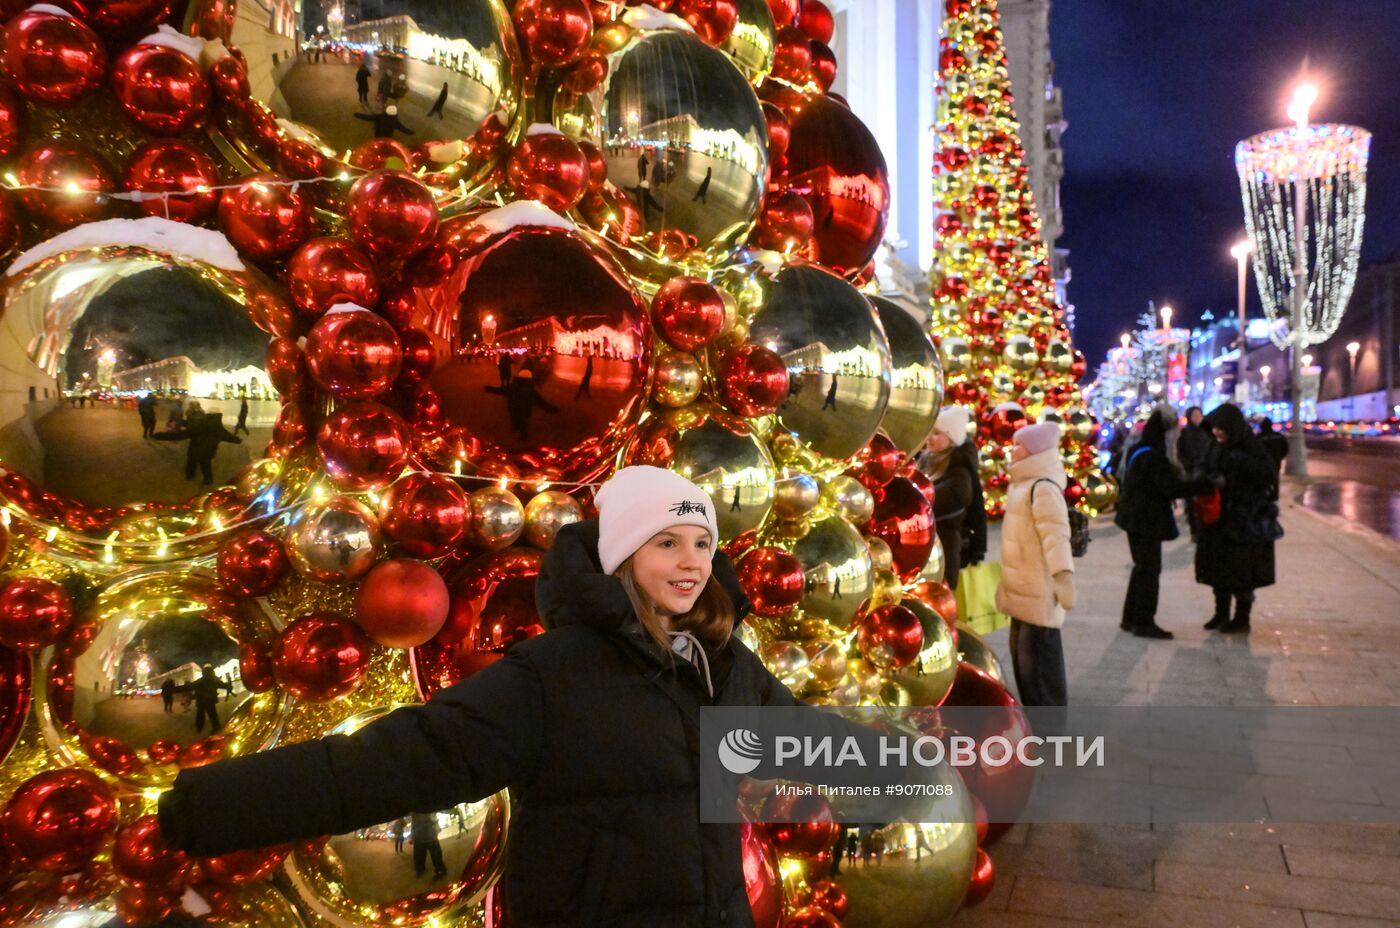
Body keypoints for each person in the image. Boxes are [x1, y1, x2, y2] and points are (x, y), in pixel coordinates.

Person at [157, 466, 884, 926]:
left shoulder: (722, 665)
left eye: (701, 543)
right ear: (621, 557)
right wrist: (212, 807)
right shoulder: (553, 672)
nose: (690, 562)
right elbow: (404, 758)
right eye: (665, 543)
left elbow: (803, 737)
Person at [996, 422, 1075, 707]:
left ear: (1035, 451)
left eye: (1019, 445)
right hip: (1021, 591)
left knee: (1040, 672)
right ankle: (1037, 730)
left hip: (1038, 593)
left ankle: (1050, 736)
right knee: (1025, 672)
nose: (1012, 450)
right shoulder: (1021, 484)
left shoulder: (1042, 488)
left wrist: (1063, 577)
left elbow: (1056, 537)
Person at [1113, 410, 1210, 639]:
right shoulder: (1154, 457)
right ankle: (1144, 622)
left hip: (1133, 517)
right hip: (1146, 520)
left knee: (1141, 568)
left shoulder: (1139, 449)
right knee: (1149, 570)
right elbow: (1170, 488)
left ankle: (1131, 618)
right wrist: (1201, 486)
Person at [1197, 404, 1278, 634]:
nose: (1217, 433)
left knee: (1242, 572)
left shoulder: (1251, 448)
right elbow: (1204, 468)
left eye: (1221, 429)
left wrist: (1238, 466)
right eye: (1215, 429)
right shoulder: (1215, 446)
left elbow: (1266, 476)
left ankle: (1242, 618)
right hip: (1218, 519)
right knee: (1218, 568)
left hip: (1244, 521)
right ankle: (1221, 614)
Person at [915, 405, 983, 590]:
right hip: (923, 551)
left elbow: (933, 502)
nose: (929, 438)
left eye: (936, 433)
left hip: (943, 553)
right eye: (930, 432)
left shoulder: (959, 472)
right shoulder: (926, 462)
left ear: (952, 440)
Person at [154, 412, 243, 485]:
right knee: (206, 465)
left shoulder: (199, 427)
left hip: (195, 449)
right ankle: (208, 480)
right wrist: (239, 440)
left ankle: (190, 475)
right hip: (208, 451)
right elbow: (230, 438)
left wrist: (160, 436)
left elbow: (180, 435)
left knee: (191, 462)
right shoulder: (220, 429)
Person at [1177, 406, 1213, 540]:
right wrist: (1187, 465)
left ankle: (1205, 529)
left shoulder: (1207, 432)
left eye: (1199, 414)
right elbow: (1181, 453)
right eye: (1194, 415)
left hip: (1206, 472)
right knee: (1192, 503)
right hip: (1191, 472)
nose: (1197, 417)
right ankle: (1195, 531)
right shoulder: (1185, 433)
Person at [410, 811, 447, 880]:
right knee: (421, 855)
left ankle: (440, 870)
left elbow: (433, 818)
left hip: (427, 834)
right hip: (422, 835)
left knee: (433, 854)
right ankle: (421, 869)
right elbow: (414, 823)